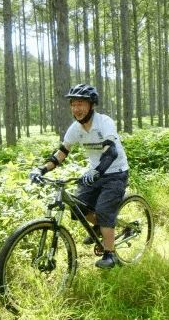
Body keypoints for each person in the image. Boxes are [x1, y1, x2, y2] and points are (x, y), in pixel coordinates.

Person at [29, 84, 129, 269]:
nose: (76, 108)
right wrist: (41, 170)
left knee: (104, 210)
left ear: (91, 105)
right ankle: (101, 227)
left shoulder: (104, 122)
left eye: (81, 104)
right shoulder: (75, 128)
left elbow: (111, 152)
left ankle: (110, 255)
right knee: (77, 207)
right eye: (73, 104)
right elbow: (61, 153)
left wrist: (96, 172)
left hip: (115, 173)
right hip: (94, 173)